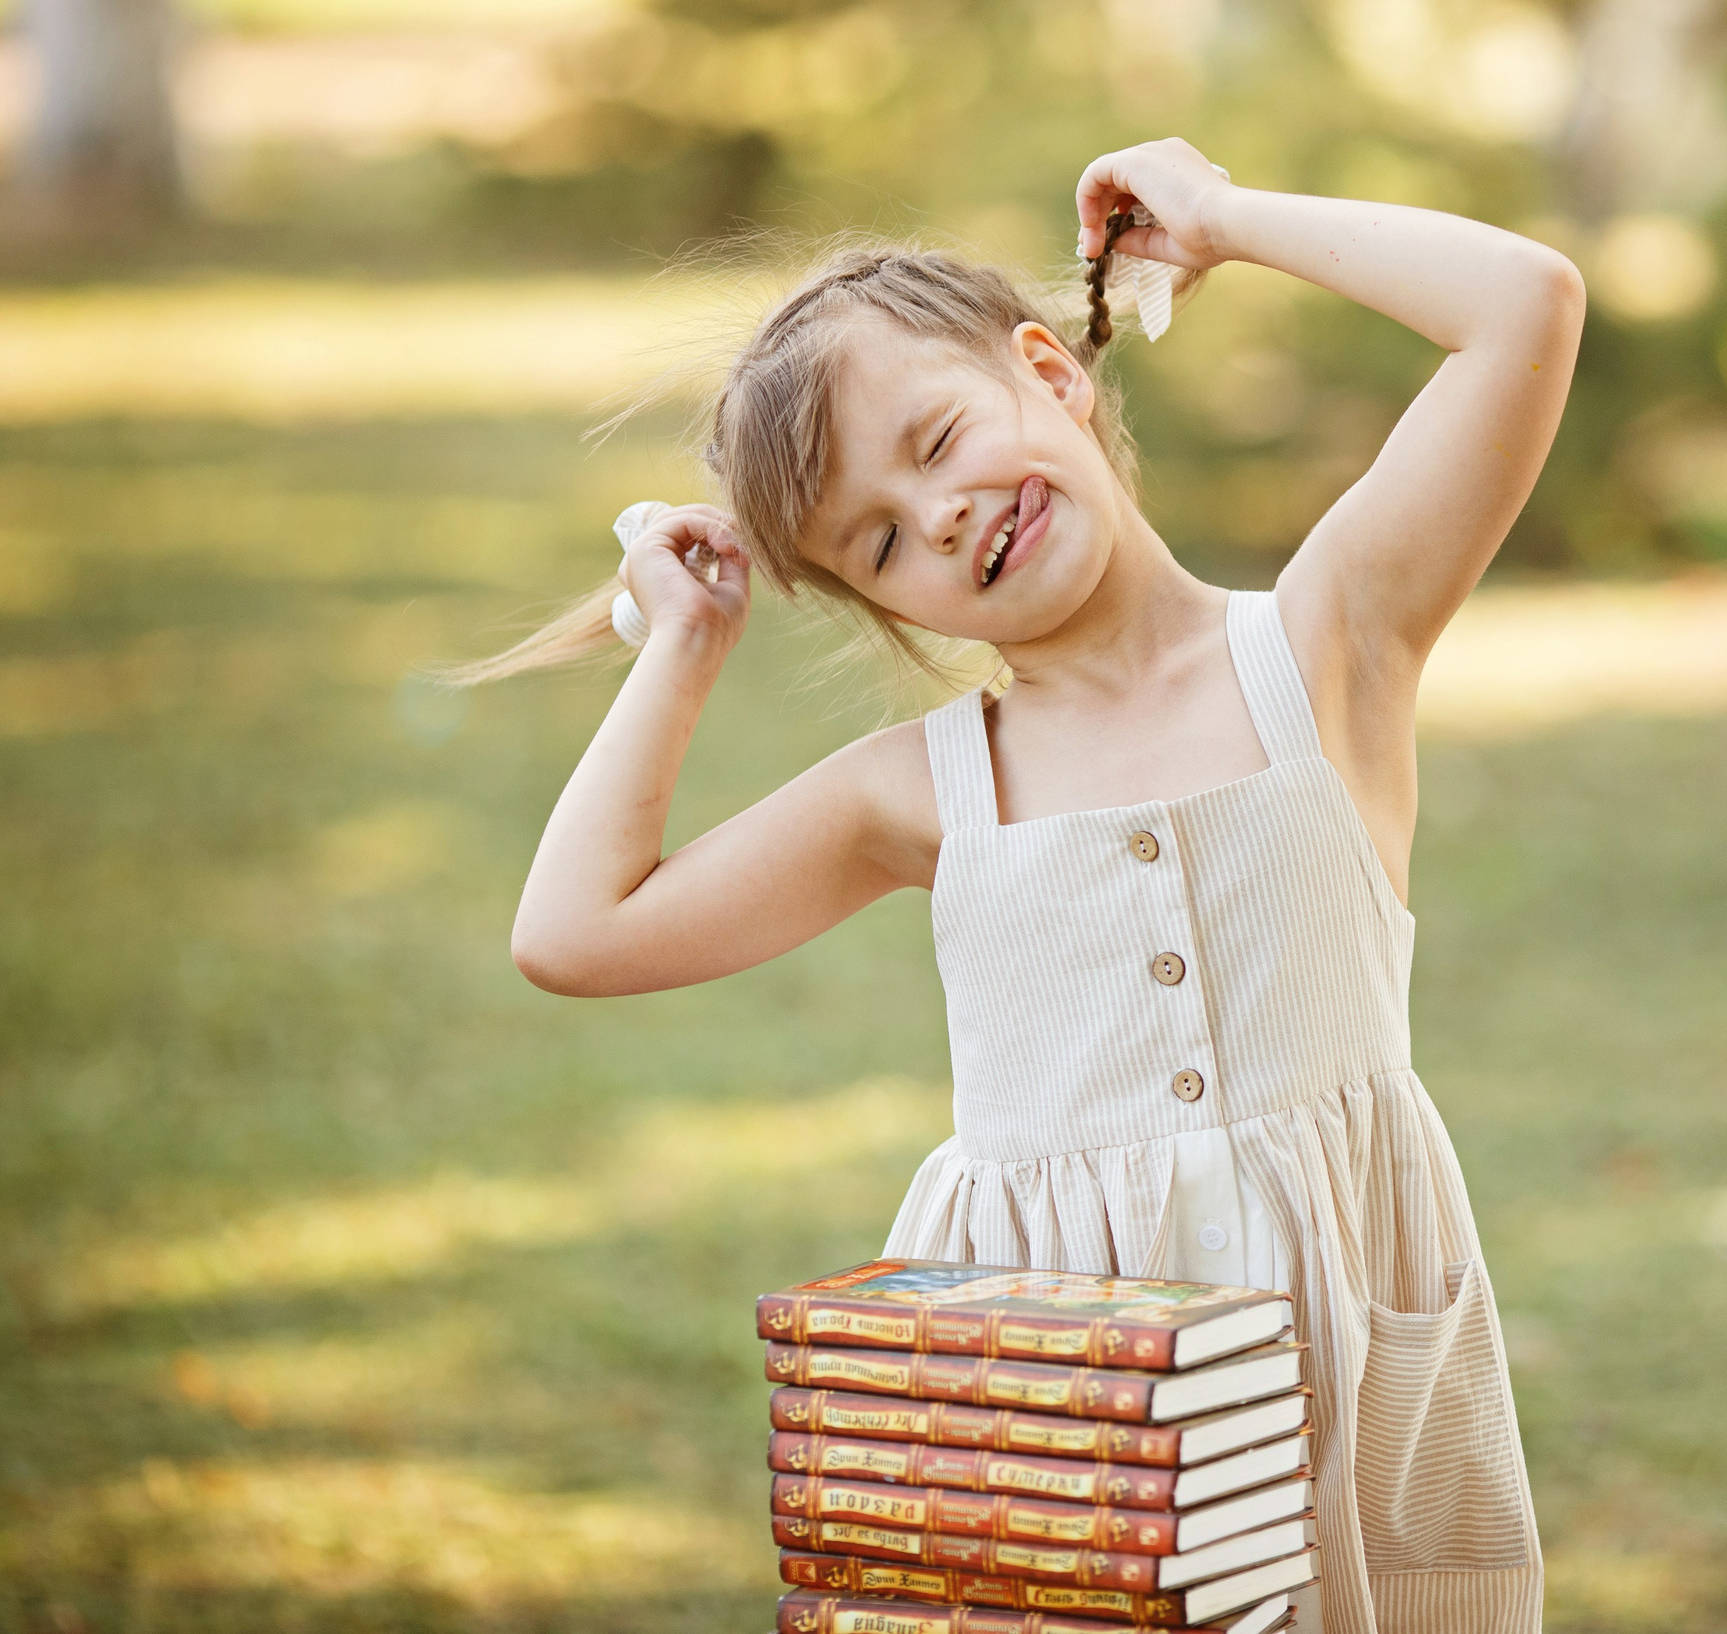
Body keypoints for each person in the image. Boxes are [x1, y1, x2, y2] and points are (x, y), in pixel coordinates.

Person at [495, 138, 1583, 1634]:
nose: (938, 514)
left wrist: (1226, 219)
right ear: (883, 601)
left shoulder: (1329, 643)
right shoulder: (918, 792)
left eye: (939, 440)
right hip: (1051, 1417)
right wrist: (682, 647)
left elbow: (1524, 305)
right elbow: (573, 933)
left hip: (1342, 1353)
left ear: (1051, 373)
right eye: (880, 539)